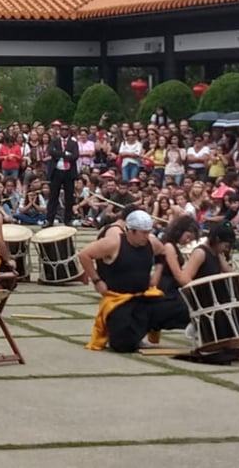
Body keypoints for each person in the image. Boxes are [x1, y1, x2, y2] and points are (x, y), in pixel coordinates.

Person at [81, 210, 187, 353]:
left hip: (144, 298)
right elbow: (84, 255)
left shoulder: (151, 242)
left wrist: (157, 273)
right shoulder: (113, 243)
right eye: (143, 233)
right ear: (130, 231)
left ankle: (151, 325)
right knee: (123, 345)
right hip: (119, 301)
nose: (146, 236)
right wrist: (97, 281)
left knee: (183, 308)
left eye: (148, 232)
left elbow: (163, 253)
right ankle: (129, 333)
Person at [46, 122, 79, 227]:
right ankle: (49, 220)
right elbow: (51, 152)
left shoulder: (73, 143)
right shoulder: (55, 141)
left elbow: (75, 156)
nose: (64, 131)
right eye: (62, 130)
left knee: (69, 197)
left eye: (66, 130)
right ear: (60, 132)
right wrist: (64, 154)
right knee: (53, 196)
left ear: (68, 132)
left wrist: (59, 154)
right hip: (57, 171)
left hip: (68, 172)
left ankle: (68, 219)